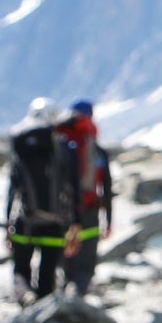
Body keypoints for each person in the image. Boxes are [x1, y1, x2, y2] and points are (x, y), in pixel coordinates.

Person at [6, 103, 80, 304]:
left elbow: (13, 188)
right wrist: (75, 223)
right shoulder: (63, 147)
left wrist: (7, 223)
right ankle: (42, 314)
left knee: (21, 269)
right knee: (47, 274)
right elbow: (73, 188)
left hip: (25, 221)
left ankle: (25, 304)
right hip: (55, 223)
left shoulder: (20, 144)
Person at [55, 99, 113, 296]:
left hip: (63, 210)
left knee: (66, 258)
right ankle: (79, 297)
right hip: (90, 209)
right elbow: (106, 187)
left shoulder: (61, 144)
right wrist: (109, 220)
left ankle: (64, 293)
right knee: (86, 260)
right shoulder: (97, 151)